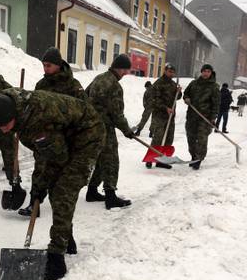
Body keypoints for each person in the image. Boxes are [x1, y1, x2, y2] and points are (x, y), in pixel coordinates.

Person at [0, 89, 104, 280]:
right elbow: (43, 155)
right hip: (64, 135)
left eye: (5, 125)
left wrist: (41, 185)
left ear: (12, 115)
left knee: (64, 190)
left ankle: (57, 255)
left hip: (88, 135)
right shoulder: (9, 105)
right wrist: (38, 187)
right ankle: (66, 236)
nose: (3, 130)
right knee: (53, 186)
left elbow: (57, 158)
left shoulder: (36, 119)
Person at [19, 46, 87, 217]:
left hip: (65, 138)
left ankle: (61, 210)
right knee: (40, 170)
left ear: (58, 65)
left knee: (61, 175)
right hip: (44, 136)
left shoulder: (73, 86)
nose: (45, 69)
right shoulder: (42, 84)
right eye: (44, 65)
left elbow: (84, 111)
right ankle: (34, 204)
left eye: (49, 65)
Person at [85, 54, 138, 208]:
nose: (126, 73)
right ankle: (110, 196)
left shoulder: (99, 78)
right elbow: (117, 114)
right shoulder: (114, 86)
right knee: (111, 161)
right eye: (126, 70)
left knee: (101, 160)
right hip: (104, 128)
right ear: (120, 68)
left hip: (91, 125)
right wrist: (127, 130)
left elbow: (85, 96)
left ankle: (92, 191)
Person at [183, 64, 221, 170]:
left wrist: (213, 117)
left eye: (208, 71)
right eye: (204, 71)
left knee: (201, 140)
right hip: (191, 116)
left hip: (205, 118)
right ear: (201, 72)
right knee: (190, 138)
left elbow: (216, 104)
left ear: (211, 73)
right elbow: (186, 93)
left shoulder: (214, 87)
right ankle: (193, 156)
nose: (206, 73)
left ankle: (198, 159)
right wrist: (186, 98)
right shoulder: (193, 83)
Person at [146, 63, 182, 169]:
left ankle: (162, 161)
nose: (171, 73)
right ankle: (150, 159)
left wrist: (179, 92)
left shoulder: (173, 84)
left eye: (173, 72)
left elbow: (177, 97)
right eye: (169, 71)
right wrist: (165, 108)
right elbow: (154, 100)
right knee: (158, 138)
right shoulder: (158, 83)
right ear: (165, 71)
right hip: (159, 115)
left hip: (170, 116)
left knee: (169, 139)